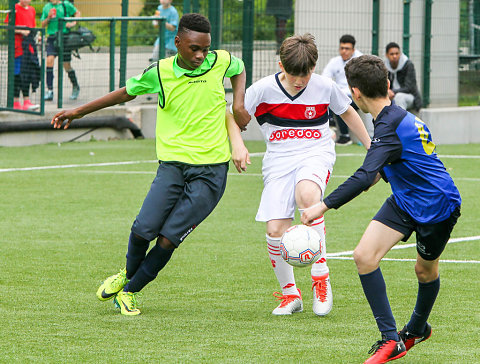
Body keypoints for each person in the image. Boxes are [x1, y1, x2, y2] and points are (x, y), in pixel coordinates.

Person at [51, 13, 250, 316]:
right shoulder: (159, 72)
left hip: (211, 172)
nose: (200, 55)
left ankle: (130, 292)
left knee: (169, 238)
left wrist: (238, 103)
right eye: (194, 48)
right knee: (143, 229)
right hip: (171, 165)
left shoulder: (219, 60)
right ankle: (127, 274)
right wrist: (78, 112)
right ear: (178, 42)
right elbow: (123, 94)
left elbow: (239, 68)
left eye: (205, 49)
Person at [301, 55, 461, 363]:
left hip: (436, 206)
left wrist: (322, 205)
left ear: (355, 93)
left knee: (424, 271)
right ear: (387, 85)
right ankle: (391, 340)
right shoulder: (391, 118)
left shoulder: (389, 126)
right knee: (364, 256)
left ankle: (415, 329)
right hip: (405, 200)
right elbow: (376, 173)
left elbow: (364, 176)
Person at [231, 34, 371, 316]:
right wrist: (238, 144)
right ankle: (290, 295)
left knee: (308, 194)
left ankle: (321, 277)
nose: (299, 81)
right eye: (293, 74)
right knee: (274, 230)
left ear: (314, 68)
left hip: (316, 151)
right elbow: (231, 114)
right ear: (280, 64)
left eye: (305, 74)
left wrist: (372, 147)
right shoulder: (262, 89)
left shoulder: (324, 86)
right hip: (278, 158)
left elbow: (348, 114)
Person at [322, 34, 374, 145]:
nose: (344, 51)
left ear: (353, 50)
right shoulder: (335, 61)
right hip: (342, 94)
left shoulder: (361, 60)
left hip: (358, 96)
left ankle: (343, 134)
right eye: (342, 48)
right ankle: (333, 127)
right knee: (331, 96)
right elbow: (325, 77)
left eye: (347, 49)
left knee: (340, 101)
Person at [41, 0, 81, 101]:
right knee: (49, 61)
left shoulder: (65, 4)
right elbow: (42, 24)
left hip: (64, 37)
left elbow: (77, 13)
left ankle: (75, 86)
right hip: (52, 38)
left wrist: (72, 23)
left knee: (66, 65)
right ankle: (49, 90)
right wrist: (48, 17)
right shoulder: (47, 7)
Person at [4, 0, 40, 110]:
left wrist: (37, 37)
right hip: (18, 48)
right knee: (18, 74)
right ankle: (15, 102)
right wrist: (20, 31)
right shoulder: (14, 10)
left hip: (28, 48)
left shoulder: (31, 10)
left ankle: (26, 101)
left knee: (28, 74)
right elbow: (7, 26)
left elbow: (32, 27)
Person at [384, 42, 422, 111]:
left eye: (397, 53)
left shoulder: (408, 65)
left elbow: (409, 88)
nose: (394, 56)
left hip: (409, 96)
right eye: (392, 54)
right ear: (386, 55)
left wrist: (392, 92)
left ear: (400, 54)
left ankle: (401, 121)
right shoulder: (384, 66)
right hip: (391, 96)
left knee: (399, 97)